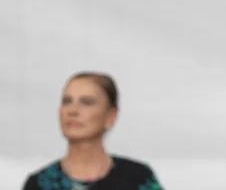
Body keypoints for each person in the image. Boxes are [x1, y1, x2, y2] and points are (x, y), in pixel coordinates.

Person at [22, 72, 163, 190]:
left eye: (87, 102)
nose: (73, 110)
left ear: (111, 116)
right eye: (67, 101)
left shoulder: (137, 178)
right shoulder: (38, 184)